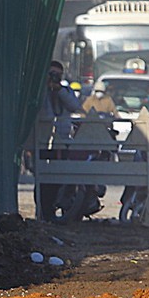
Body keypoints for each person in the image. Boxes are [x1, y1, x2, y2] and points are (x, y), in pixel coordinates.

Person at [37, 60, 83, 222]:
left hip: (61, 141)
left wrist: (59, 91)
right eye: (52, 74)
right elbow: (39, 109)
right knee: (43, 178)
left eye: (58, 74)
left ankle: (53, 209)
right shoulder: (39, 91)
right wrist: (46, 88)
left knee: (58, 177)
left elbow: (75, 106)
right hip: (43, 140)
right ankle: (43, 211)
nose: (55, 77)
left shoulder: (65, 91)